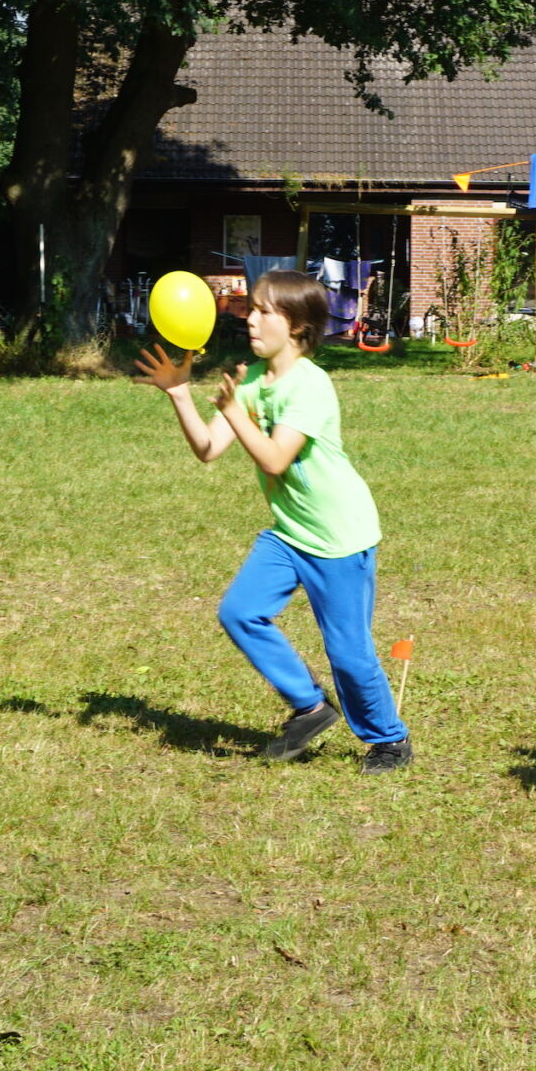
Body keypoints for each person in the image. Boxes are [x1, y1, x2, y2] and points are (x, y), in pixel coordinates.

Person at [130, 268, 410, 773]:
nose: (250, 320)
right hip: (289, 533)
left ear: (297, 325)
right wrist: (180, 394)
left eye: (264, 311)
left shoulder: (311, 385)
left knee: (349, 654)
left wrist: (237, 411)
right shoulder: (254, 381)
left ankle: (390, 740)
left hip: (338, 537)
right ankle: (310, 706)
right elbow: (209, 449)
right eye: (252, 309)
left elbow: (276, 459)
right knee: (239, 611)